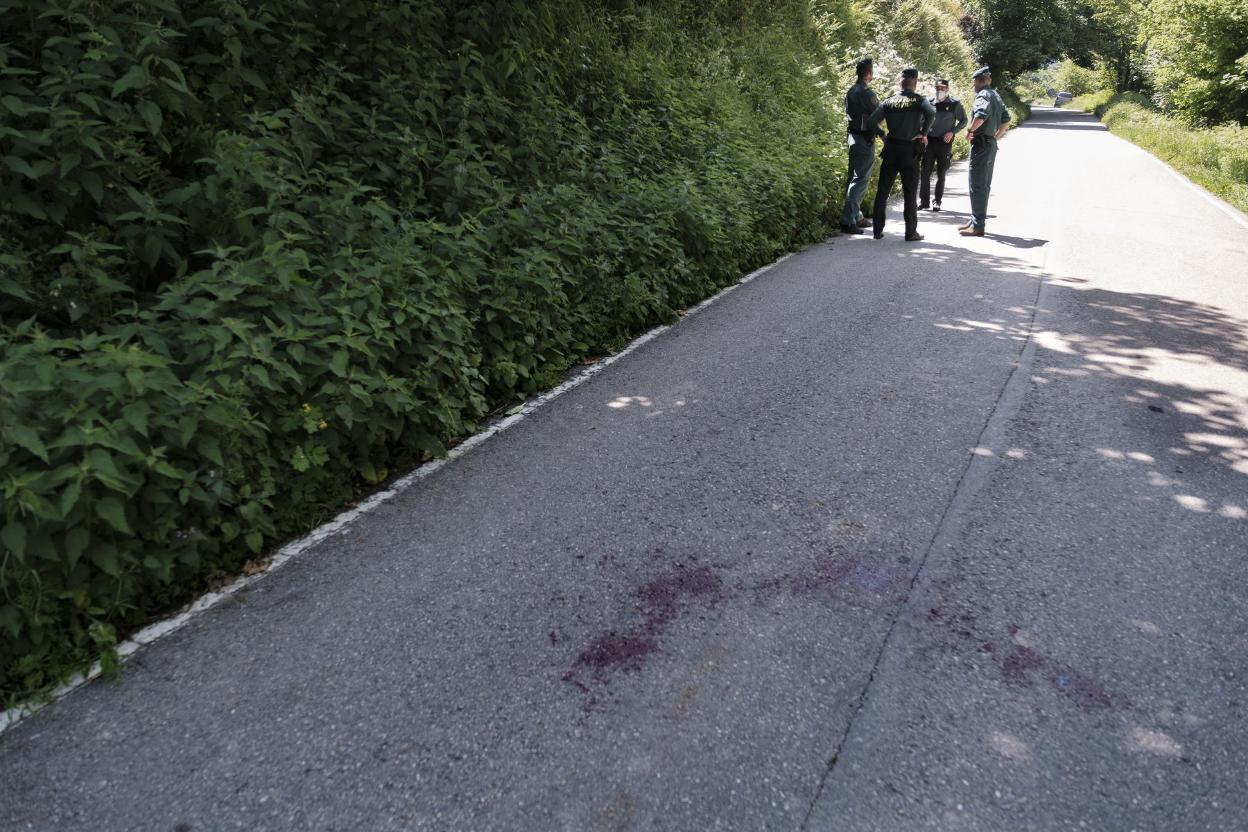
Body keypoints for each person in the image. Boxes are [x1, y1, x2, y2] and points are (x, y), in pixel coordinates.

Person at [867, 68, 936, 242]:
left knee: (883, 190)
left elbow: (871, 121)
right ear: (915, 83)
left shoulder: (889, 102)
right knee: (910, 191)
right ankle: (910, 232)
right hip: (909, 151)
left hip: (891, 149)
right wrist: (923, 132)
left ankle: (877, 230)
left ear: (901, 82)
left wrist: (882, 135)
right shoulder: (919, 100)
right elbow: (931, 112)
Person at [961, 66, 1012, 237]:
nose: (973, 85)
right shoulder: (995, 95)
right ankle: (975, 220)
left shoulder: (983, 95)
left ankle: (978, 226)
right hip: (990, 144)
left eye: (974, 82)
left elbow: (981, 115)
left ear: (979, 80)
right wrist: (996, 136)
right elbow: (1006, 119)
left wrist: (970, 131)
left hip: (981, 145)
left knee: (977, 185)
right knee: (983, 184)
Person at [840, 58, 881, 235]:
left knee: (853, 177)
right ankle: (848, 220)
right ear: (869, 74)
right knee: (860, 179)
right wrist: (883, 134)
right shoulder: (866, 93)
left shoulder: (851, 91)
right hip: (864, 139)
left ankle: (856, 216)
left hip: (853, 137)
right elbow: (877, 116)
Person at [919, 79, 967, 211]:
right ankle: (924, 201)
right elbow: (921, 121)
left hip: (944, 142)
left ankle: (937, 201)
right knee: (925, 172)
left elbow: (964, 120)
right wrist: (923, 134)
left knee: (941, 173)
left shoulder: (954, 104)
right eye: (938, 88)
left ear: (948, 89)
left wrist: (952, 132)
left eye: (943, 88)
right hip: (929, 142)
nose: (940, 90)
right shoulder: (929, 103)